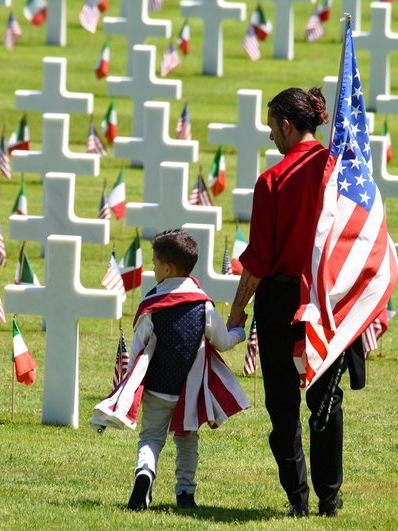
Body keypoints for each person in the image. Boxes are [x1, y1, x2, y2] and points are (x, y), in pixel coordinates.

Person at [226, 86, 363, 518]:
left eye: (271, 127)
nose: (270, 137)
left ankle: (298, 499)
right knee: (326, 397)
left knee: (282, 403)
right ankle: (330, 496)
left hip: (284, 299)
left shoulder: (272, 181)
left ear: (287, 125)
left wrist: (236, 308)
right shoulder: (342, 169)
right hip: (330, 296)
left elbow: (261, 259)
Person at [91, 229, 248, 512]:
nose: (152, 269)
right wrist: (238, 331)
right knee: (187, 441)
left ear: (167, 268)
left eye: (153, 263)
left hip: (157, 389)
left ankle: (145, 475)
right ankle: (185, 494)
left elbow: (139, 350)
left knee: (151, 438)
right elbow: (222, 343)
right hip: (188, 391)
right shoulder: (204, 306)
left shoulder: (151, 306)